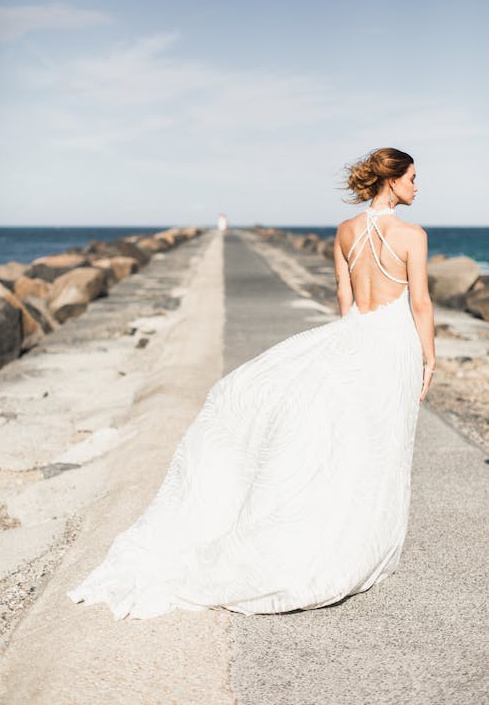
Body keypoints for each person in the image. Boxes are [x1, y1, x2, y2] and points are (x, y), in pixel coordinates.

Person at [67, 147, 435, 620]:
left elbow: (345, 295)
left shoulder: (344, 232)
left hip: (355, 335)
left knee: (342, 441)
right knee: (375, 441)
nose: (417, 186)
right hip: (391, 344)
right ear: (392, 180)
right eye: (412, 177)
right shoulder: (412, 235)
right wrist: (428, 356)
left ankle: (328, 530)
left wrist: (350, 340)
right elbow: (420, 303)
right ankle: (349, 542)